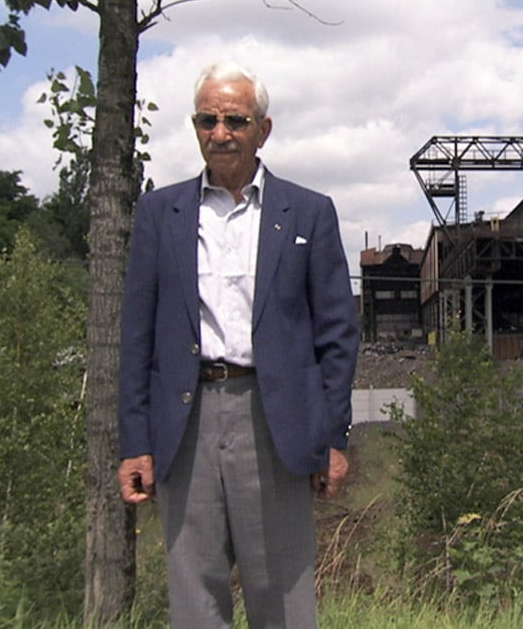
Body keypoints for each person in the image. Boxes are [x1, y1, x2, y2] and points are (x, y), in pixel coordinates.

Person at [117, 60, 359, 628]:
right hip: (186, 422)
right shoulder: (159, 214)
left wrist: (332, 436)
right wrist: (135, 441)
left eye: (234, 120)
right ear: (195, 125)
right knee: (194, 598)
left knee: (283, 598)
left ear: (263, 129)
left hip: (274, 422)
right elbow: (137, 336)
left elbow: (337, 335)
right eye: (207, 120)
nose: (220, 133)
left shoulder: (308, 212)